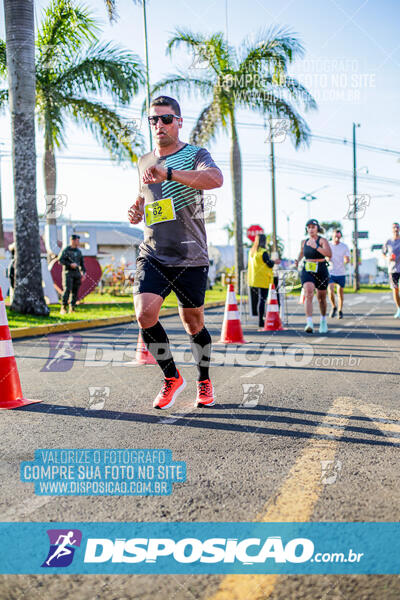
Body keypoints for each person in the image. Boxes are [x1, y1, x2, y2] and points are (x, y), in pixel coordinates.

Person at [128, 95, 223, 410]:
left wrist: (168, 172)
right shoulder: (144, 160)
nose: (159, 125)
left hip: (190, 255)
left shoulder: (195, 154)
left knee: (193, 323)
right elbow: (147, 194)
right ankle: (171, 377)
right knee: (144, 314)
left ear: (179, 122)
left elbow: (215, 179)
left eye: (166, 119)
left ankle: (204, 379)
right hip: (153, 251)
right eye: (153, 119)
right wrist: (137, 208)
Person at [295, 219, 332, 334]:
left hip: (321, 268)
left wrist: (316, 247)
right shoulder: (304, 242)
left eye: (313, 227)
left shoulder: (322, 240)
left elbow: (329, 254)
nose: (311, 229)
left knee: (321, 298)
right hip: (308, 269)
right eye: (309, 227)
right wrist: (298, 260)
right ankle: (309, 322)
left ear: (317, 229)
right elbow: (302, 252)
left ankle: (323, 320)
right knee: (308, 292)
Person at [247, 233, 280, 330]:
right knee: (262, 300)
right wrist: (274, 261)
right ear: (264, 241)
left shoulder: (252, 252)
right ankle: (261, 321)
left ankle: (260, 319)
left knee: (258, 300)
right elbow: (269, 264)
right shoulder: (263, 252)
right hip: (263, 279)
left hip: (254, 279)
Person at [58, 234, 86, 314]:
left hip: (76, 274)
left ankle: (72, 308)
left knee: (75, 291)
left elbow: (82, 264)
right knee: (67, 290)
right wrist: (70, 264)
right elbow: (60, 260)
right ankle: (63, 307)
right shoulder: (66, 250)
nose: (78, 242)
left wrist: (83, 273)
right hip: (68, 273)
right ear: (72, 240)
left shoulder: (78, 251)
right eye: (77, 240)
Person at [328, 229, 350, 319]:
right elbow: (325, 254)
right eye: (335, 236)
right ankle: (333, 306)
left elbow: (347, 259)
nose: (336, 238)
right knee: (330, 290)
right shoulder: (328, 245)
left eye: (338, 236)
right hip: (330, 271)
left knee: (340, 292)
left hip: (341, 272)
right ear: (332, 236)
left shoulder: (344, 246)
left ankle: (340, 310)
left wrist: (346, 260)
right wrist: (326, 258)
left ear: (340, 236)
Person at [382, 222, 400, 318]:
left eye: (397, 227)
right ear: (392, 230)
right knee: (395, 289)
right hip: (392, 270)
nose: (396, 229)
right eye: (394, 227)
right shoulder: (388, 241)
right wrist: (387, 258)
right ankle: (399, 309)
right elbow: (383, 254)